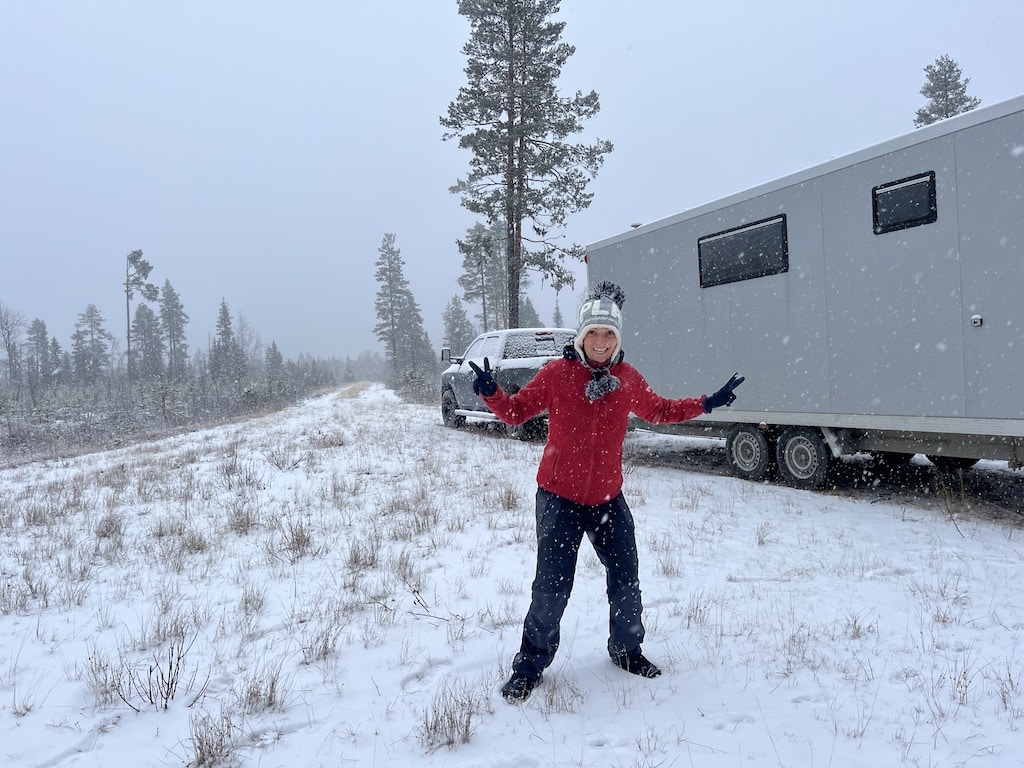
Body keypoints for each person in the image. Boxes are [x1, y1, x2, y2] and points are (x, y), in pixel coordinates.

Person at [469, 280, 744, 704]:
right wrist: (492, 393)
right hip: (559, 499)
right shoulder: (557, 375)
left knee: (626, 579)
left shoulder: (627, 379)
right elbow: (516, 412)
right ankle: (529, 666)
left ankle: (626, 650)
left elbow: (661, 410)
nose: (600, 341)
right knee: (551, 587)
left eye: (609, 334)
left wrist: (706, 403)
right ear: (581, 336)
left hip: (607, 500)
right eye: (594, 333)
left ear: (618, 339)